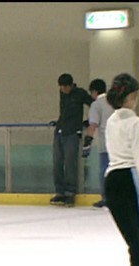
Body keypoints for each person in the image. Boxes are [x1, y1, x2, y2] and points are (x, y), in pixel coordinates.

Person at [104, 73, 139, 266]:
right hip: (130, 182)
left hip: (112, 182)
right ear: (132, 96)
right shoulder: (137, 123)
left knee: (136, 246)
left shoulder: (111, 121)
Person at [50, 73, 93, 207]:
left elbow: (93, 105)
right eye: (61, 87)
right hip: (60, 131)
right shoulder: (62, 93)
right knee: (57, 162)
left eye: (64, 87)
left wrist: (89, 122)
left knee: (70, 162)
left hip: (73, 132)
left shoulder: (80, 93)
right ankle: (60, 192)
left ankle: (70, 192)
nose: (62, 90)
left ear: (70, 85)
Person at [83, 79, 115, 208]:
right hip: (119, 142)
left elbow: (93, 124)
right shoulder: (114, 101)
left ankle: (106, 197)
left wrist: (87, 142)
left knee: (104, 170)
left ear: (94, 92)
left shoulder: (96, 104)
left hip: (105, 142)